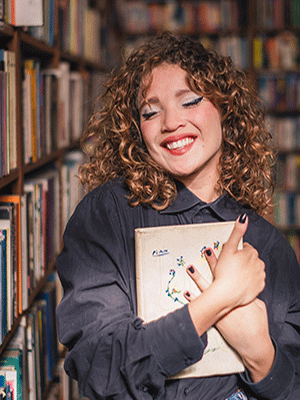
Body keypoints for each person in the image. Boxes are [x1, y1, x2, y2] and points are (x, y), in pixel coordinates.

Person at [56, 32, 300, 400]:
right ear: (137, 130)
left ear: (225, 108)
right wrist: (215, 302)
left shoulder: (267, 243)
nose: (171, 122)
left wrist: (262, 356)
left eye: (190, 101)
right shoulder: (107, 217)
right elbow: (99, 371)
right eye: (150, 112)